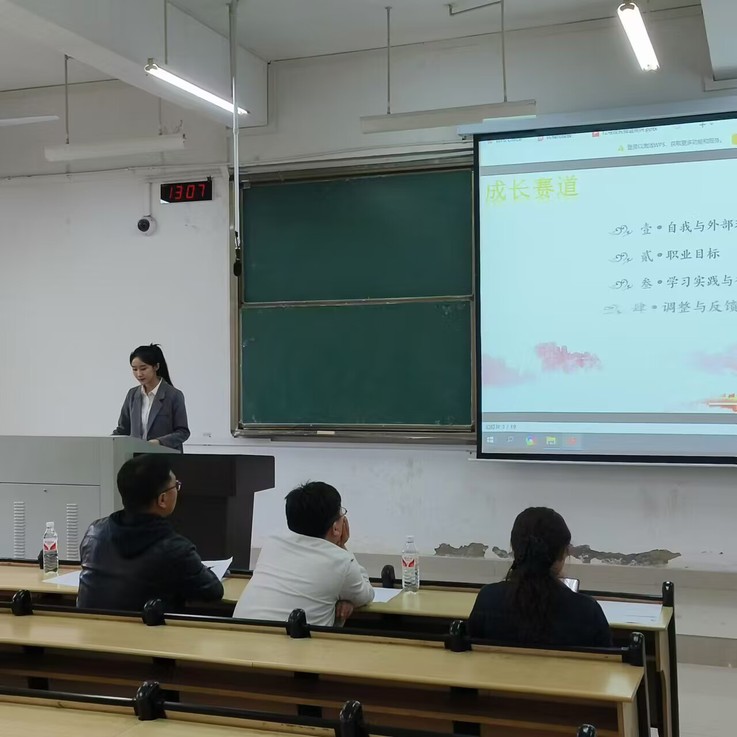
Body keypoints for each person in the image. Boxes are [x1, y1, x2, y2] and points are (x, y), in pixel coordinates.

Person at [78, 454, 223, 611]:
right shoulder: (176, 549)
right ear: (162, 500)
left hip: (89, 625)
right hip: (144, 627)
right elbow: (213, 591)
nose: (177, 490)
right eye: (176, 486)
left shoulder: (95, 533)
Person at [233, 481, 374, 626]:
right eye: (341, 513)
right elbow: (366, 595)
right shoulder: (341, 561)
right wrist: (342, 547)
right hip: (288, 640)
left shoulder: (272, 543)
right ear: (336, 528)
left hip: (236, 633)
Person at [468, 507, 612, 648]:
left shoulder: (488, 598)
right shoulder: (587, 610)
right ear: (563, 553)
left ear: (514, 548)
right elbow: (607, 658)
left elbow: (469, 650)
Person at [113, 344, 190, 452]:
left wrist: (159, 442)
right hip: (136, 457)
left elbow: (183, 432)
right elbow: (123, 430)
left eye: (143, 368)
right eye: (134, 369)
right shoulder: (132, 394)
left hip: (164, 456)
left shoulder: (174, 395)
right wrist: (107, 442)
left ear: (156, 367)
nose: (139, 374)